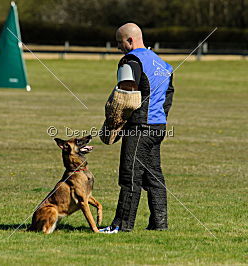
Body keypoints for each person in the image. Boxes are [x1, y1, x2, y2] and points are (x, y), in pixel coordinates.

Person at [100, 23, 174, 233]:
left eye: (119, 42)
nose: (118, 47)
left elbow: (124, 98)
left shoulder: (131, 61)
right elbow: (168, 100)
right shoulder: (164, 65)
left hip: (139, 127)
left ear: (130, 40)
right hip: (158, 126)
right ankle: (159, 224)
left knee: (130, 175)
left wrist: (113, 124)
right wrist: (157, 119)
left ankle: (121, 226)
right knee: (153, 177)